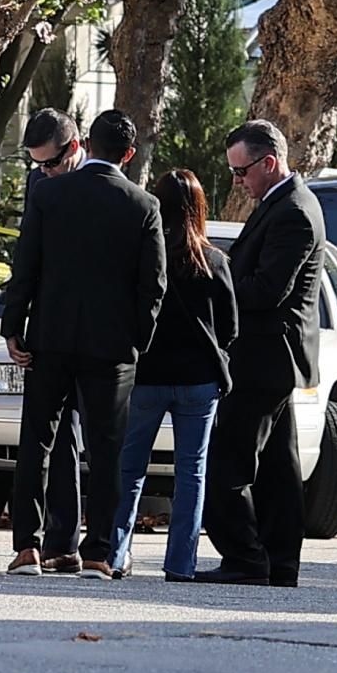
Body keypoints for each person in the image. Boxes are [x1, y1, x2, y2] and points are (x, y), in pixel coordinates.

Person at [32, 111, 165, 578]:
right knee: (106, 449)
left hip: (51, 338)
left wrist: (16, 327)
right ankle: (99, 549)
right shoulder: (143, 205)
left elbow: (27, 266)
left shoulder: (47, 193)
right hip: (110, 347)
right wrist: (137, 341)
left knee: (40, 441)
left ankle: (32, 547)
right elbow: (154, 284)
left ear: (86, 142)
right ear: (128, 154)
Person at [205, 117, 328, 588]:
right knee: (277, 470)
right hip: (271, 356)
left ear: (269, 162)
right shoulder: (281, 202)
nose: (238, 181)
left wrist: (218, 278)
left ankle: (244, 557)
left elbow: (266, 290)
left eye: (242, 172)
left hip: (265, 357)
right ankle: (279, 562)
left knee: (229, 464)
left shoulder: (294, 210)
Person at [116, 163, 235, 583]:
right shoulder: (215, 261)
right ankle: (180, 564)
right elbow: (231, 328)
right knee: (192, 472)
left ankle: (115, 553)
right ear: (199, 208)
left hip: (147, 375)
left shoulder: (142, 257)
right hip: (199, 379)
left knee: (130, 468)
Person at [0, 109, 78, 571]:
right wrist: (12, 325)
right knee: (42, 439)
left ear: (74, 148)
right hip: (47, 330)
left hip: (93, 338)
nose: (42, 173)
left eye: (50, 163)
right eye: (36, 165)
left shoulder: (100, 185)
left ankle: (70, 543)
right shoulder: (40, 186)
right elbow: (27, 260)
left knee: (78, 441)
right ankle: (32, 542)